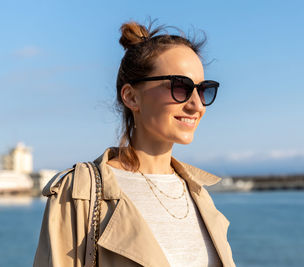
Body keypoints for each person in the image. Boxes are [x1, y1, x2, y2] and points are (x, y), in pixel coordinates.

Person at [33, 20, 236, 267]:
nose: (197, 105)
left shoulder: (199, 195)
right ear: (131, 96)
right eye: (180, 87)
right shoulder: (78, 192)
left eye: (203, 90)